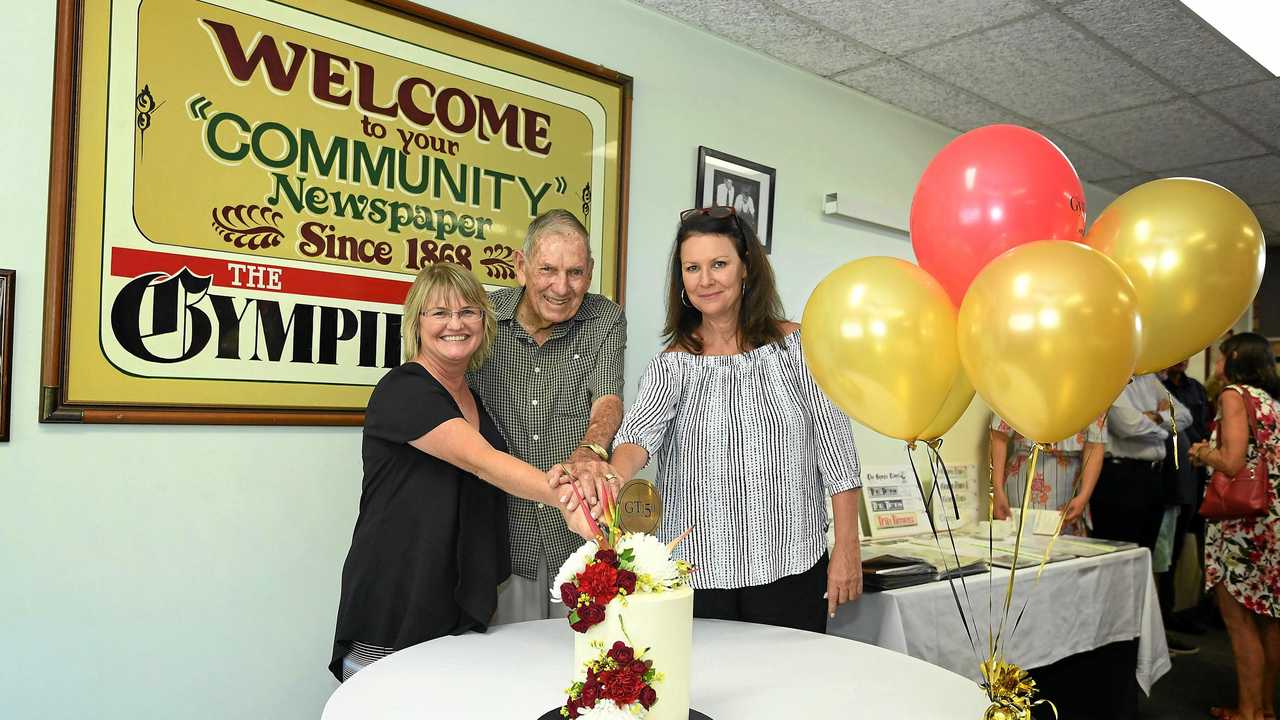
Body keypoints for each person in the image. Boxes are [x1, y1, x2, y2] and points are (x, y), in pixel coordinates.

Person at [330, 263, 598, 682]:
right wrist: (567, 497)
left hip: (452, 606)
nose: (455, 323)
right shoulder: (402, 390)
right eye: (439, 313)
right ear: (417, 323)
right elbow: (483, 462)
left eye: (468, 311)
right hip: (397, 601)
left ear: (484, 321)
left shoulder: (474, 398)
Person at [600, 205, 863, 632]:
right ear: (681, 280)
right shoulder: (672, 365)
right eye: (692, 268)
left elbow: (838, 454)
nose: (705, 279)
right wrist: (612, 476)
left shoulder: (799, 348)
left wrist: (847, 549)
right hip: (699, 579)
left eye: (719, 264)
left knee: (795, 692)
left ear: (746, 269)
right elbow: (636, 439)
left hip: (793, 566)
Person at [469, 209, 626, 623]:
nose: (562, 287)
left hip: (577, 530)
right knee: (504, 669)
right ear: (521, 267)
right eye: (548, 270)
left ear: (590, 272)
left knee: (586, 662)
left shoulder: (605, 319)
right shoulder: (480, 317)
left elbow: (607, 398)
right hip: (501, 530)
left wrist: (591, 449)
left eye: (575, 272)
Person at [1190, 333, 1280, 720]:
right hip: (1270, 521)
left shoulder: (1233, 395)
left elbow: (1231, 461)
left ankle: (1246, 711)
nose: (1218, 361)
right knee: (1269, 623)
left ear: (1236, 357)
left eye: (1223, 354)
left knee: (1240, 622)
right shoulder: (1270, 402)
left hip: (1240, 526)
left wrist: (1200, 452)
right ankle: (1264, 708)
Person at [1090, 373, 1192, 552]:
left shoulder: (1148, 377)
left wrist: (1157, 417)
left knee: (1145, 552)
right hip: (1121, 476)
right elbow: (1127, 425)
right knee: (1119, 554)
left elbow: (1185, 416)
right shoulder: (1111, 377)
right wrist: (1165, 427)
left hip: (1154, 476)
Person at [989, 414, 1106, 536]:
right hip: (1026, 476)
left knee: (1067, 545)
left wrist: (1084, 496)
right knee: (1024, 539)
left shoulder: (1092, 395)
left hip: (1073, 480)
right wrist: (997, 490)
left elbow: (1095, 444)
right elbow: (998, 434)